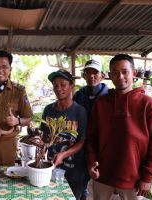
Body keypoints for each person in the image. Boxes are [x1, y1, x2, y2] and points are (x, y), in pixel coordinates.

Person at [86, 54, 152, 199]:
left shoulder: (148, 104)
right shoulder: (101, 104)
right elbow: (91, 138)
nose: (120, 76)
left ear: (134, 73)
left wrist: (147, 176)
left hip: (133, 177)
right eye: (115, 72)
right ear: (109, 75)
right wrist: (90, 161)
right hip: (102, 174)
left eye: (125, 71)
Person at [40, 69, 87, 199]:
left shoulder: (80, 112)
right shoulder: (48, 109)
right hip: (51, 167)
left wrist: (64, 154)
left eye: (63, 84)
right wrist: (40, 145)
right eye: (55, 85)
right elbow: (44, 135)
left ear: (71, 86)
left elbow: (82, 141)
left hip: (74, 170)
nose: (58, 88)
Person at [73, 59, 109, 199]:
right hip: (82, 142)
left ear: (103, 75)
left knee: (100, 180)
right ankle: (83, 193)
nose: (91, 76)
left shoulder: (109, 96)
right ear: (84, 76)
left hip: (101, 144)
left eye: (95, 72)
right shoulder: (79, 94)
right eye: (88, 72)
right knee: (82, 174)